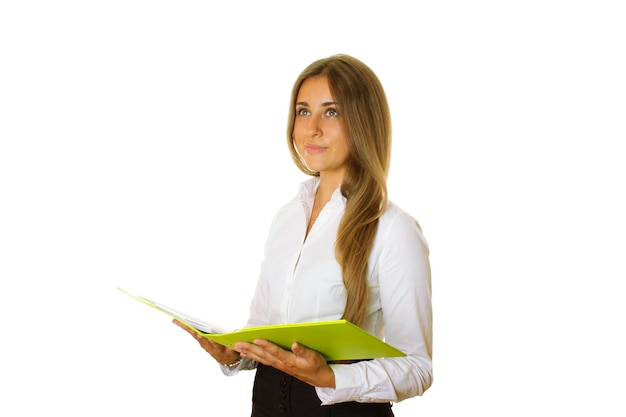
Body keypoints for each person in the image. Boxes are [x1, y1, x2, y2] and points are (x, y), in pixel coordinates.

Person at [174, 53, 432, 416]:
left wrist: (330, 378)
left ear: (364, 121)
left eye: (331, 112)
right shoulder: (286, 218)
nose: (312, 128)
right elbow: (265, 325)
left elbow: (418, 369)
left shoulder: (393, 230)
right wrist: (236, 353)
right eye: (303, 111)